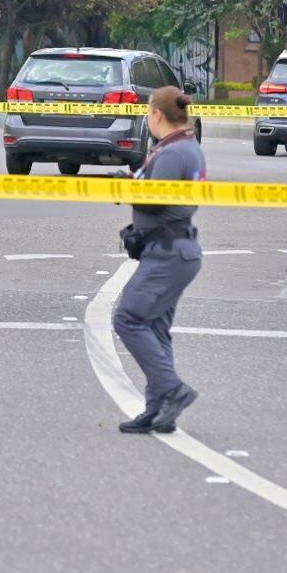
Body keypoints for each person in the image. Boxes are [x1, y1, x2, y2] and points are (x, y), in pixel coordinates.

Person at [113, 86, 206, 435]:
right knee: (154, 326)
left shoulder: (173, 152)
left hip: (168, 254)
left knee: (128, 318)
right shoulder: (183, 147)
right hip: (173, 249)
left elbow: (154, 200)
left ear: (156, 114)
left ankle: (172, 390)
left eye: (148, 113)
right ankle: (158, 409)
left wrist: (125, 188)